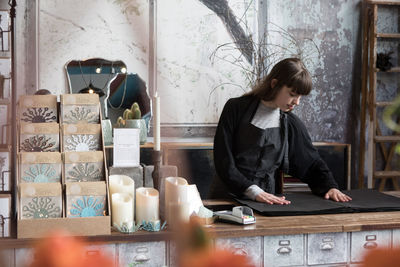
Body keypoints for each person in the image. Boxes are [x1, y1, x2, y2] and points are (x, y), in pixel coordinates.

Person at [213, 58, 352, 204]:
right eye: (292, 94)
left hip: (267, 200)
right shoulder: (235, 108)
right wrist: (252, 190)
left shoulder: (291, 124)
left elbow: (311, 163)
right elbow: (224, 160)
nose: (297, 102)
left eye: (300, 97)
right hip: (228, 196)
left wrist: (330, 186)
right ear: (274, 84)